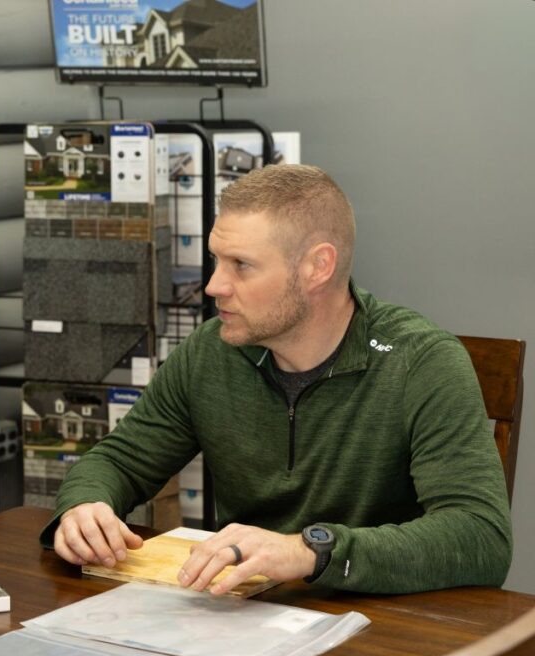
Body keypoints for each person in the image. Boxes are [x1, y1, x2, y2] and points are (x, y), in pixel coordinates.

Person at [43, 164, 512, 595]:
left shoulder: (422, 362)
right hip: (239, 621)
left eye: (241, 265)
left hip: (380, 630)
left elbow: (480, 537)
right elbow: (120, 462)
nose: (214, 286)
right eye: (215, 259)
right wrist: (85, 506)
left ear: (317, 267)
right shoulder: (212, 351)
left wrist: (309, 551)